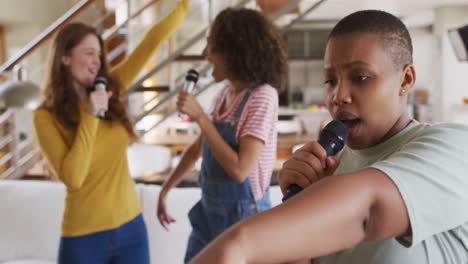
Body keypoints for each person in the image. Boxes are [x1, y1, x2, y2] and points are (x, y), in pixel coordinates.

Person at [188, 9, 468, 264]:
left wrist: (237, 247)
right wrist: (299, 205)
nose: (338, 96)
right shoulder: (328, 166)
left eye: (361, 77)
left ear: (405, 80)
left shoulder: (452, 146)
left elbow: (370, 209)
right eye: (331, 81)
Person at [33, 1, 189, 263]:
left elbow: (152, 41)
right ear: (65, 57)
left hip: (131, 229)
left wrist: (184, 5)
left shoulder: (112, 88)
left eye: (100, 54)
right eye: (89, 53)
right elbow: (73, 177)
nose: (98, 61)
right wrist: (90, 114)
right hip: (83, 239)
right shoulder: (45, 117)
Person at [156, 7, 288, 263]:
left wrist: (202, 119)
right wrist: (165, 189)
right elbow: (197, 150)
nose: (206, 55)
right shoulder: (223, 95)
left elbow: (240, 170)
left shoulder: (263, 96)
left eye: (211, 46)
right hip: (209, 215)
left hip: (245, 219)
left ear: (235, 50)